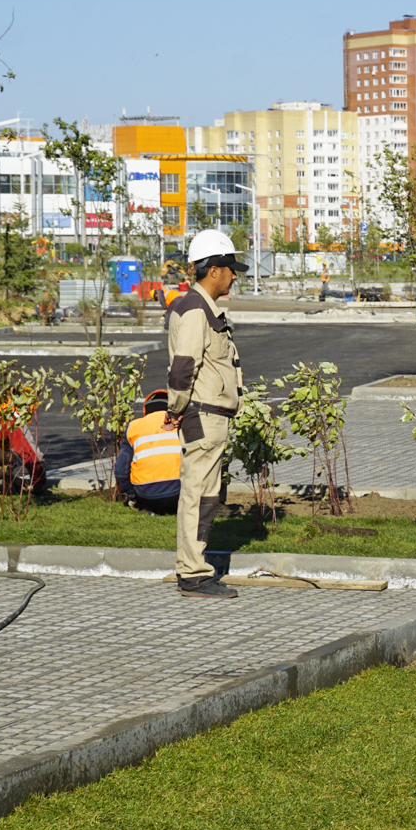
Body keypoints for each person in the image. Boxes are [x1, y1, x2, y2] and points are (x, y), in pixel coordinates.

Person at [166, 228, 245, 599]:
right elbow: (183, 368)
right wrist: (176, 408)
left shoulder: (199, 307)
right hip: (202, 415)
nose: (234, 275)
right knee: (198, 494)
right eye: (231, 269)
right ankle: (193, 574)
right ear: (214, 269)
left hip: (209, 415)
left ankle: (195, 569)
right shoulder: (196, 309)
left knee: (205, 494)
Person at [114, 389, 182, 514]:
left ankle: (149, 509)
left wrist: (133, 498)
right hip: (180, 492)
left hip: (146, 494)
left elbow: (121, 470)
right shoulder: (181, 423)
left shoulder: (134, 427)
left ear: (145, 410)